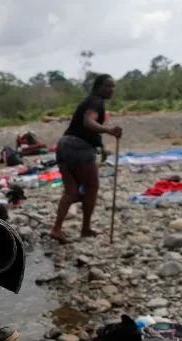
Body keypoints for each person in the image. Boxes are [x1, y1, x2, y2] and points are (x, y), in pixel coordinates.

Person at [49, 74, 122, 244]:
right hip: (79, 149)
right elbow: (89, 122)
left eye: (113, 87)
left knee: (71, 191)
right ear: (98, 87)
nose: (111, 90)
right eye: (108, 86)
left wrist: (101, 146)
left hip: (64, 146)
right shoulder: (96, 101)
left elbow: (89, 130)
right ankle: (85, 228)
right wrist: (109, 130)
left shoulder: (90, 100)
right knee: (91, 187)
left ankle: (56, 229)